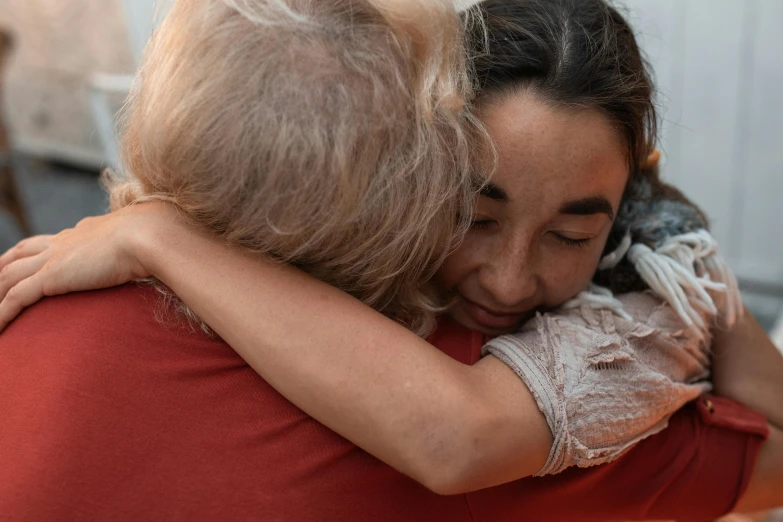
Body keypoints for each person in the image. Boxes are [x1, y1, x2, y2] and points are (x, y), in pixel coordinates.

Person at [0, 0, 781, 518]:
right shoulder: (501, 400)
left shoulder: (42, 298)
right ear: (407, 185)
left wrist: (156, 234)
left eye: (571, 236)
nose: (508, 279)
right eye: (471, 215)